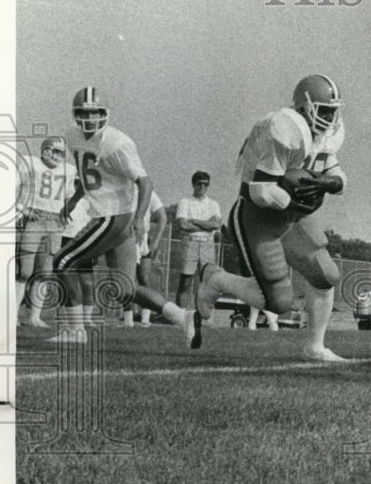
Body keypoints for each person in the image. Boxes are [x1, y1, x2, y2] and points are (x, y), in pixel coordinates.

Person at [194, 74, 348, 362]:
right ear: (304, 107)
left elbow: (336, 172)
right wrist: (300, 197)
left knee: (326, 275)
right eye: (324, 109)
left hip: (291, 216)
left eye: (333, 109)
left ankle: (315, 346)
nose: (330, 116)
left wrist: (330, 184)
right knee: (277, 302)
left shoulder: (325, 135)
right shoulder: (284, 127)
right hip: (257, 215)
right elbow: (262, 191)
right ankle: (216, 280)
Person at [49, 87, 196, 344]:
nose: (89, 118)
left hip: (114, 217)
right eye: (83, 112)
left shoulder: (118, 143)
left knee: (63, 260)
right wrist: (72, 202)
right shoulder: (71, 135)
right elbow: (88, 175)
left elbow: (146, 183)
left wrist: (140, 219)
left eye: (95, 113)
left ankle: (75, 331)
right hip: (109, 217)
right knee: (123, 290)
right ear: (75, 114)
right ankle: (182, 317)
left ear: (104, 114)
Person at [15, 136, 75, 328]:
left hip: (54, 222)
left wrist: (67, 212)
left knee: (44, 273)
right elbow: (12, 187)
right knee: (24, 272)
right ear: (45, 150)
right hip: (35, 220)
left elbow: (68, 196)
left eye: (61, 152)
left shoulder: (68, 170)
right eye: (55, 151)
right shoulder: (31, 164)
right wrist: (23, 209)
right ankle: (13, 316)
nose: (58, 156)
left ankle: (34, 317)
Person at [174, 171, 222, 309]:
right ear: (193, 184)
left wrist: (194, 221)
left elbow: (216, 225)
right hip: (190, 243)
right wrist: (206, 225)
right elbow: (183, 225)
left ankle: (202, 315)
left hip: (207, 244)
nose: (202, 186)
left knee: (206, 281)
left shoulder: (213, 204)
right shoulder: (185, 201)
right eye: (199, 183)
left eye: (205, 184)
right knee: (186, 280)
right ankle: (181, 315)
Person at [122, 190, 167, 327]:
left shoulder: (149, 193)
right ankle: (128, 320)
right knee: (127, 280)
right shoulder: (124, 189)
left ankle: (145, 319)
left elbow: (162, 217)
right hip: (127, 237)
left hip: (143, 238)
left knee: (144, 278)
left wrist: (156, 241)